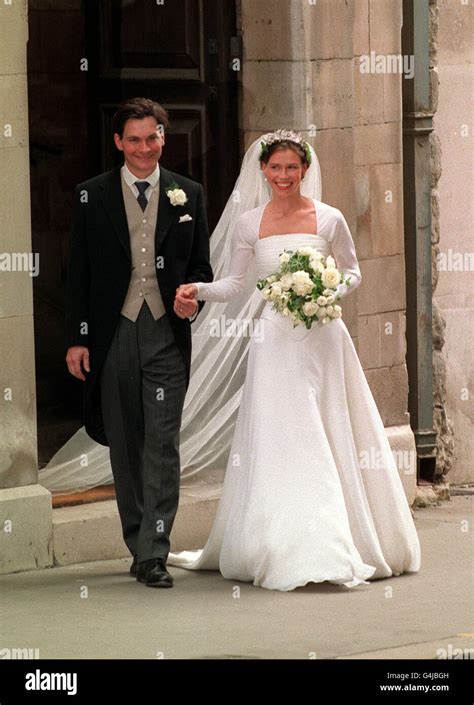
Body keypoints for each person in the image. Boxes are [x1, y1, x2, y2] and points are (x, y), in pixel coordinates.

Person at [169, 129, 421, 591]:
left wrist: (325, 289)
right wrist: (198, 290)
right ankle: (281, 541)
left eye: (291, 167)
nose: (283, 176)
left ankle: (335, 542)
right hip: (273, 343)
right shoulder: (249, 223)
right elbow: (234, 285)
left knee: (326, 426)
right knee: (281, 432)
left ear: (304, 169)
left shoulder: (329, 219)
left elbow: (352, 271)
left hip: (322, 337)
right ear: (263, 171)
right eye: (275, 168)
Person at [65, 97, 213, 588]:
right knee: (125, 443)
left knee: (162, 444)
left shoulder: (188, 193)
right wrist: (77, 338)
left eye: (152, 137)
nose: (144, 148)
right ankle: (137, 542)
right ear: (118, 142)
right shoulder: (91, 195)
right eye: (134, 139)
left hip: (166, 332)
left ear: (164, 138)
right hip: (113, 334)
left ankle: (154, 550)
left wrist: (195, 297)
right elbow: (77, 274)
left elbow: (201, 269)